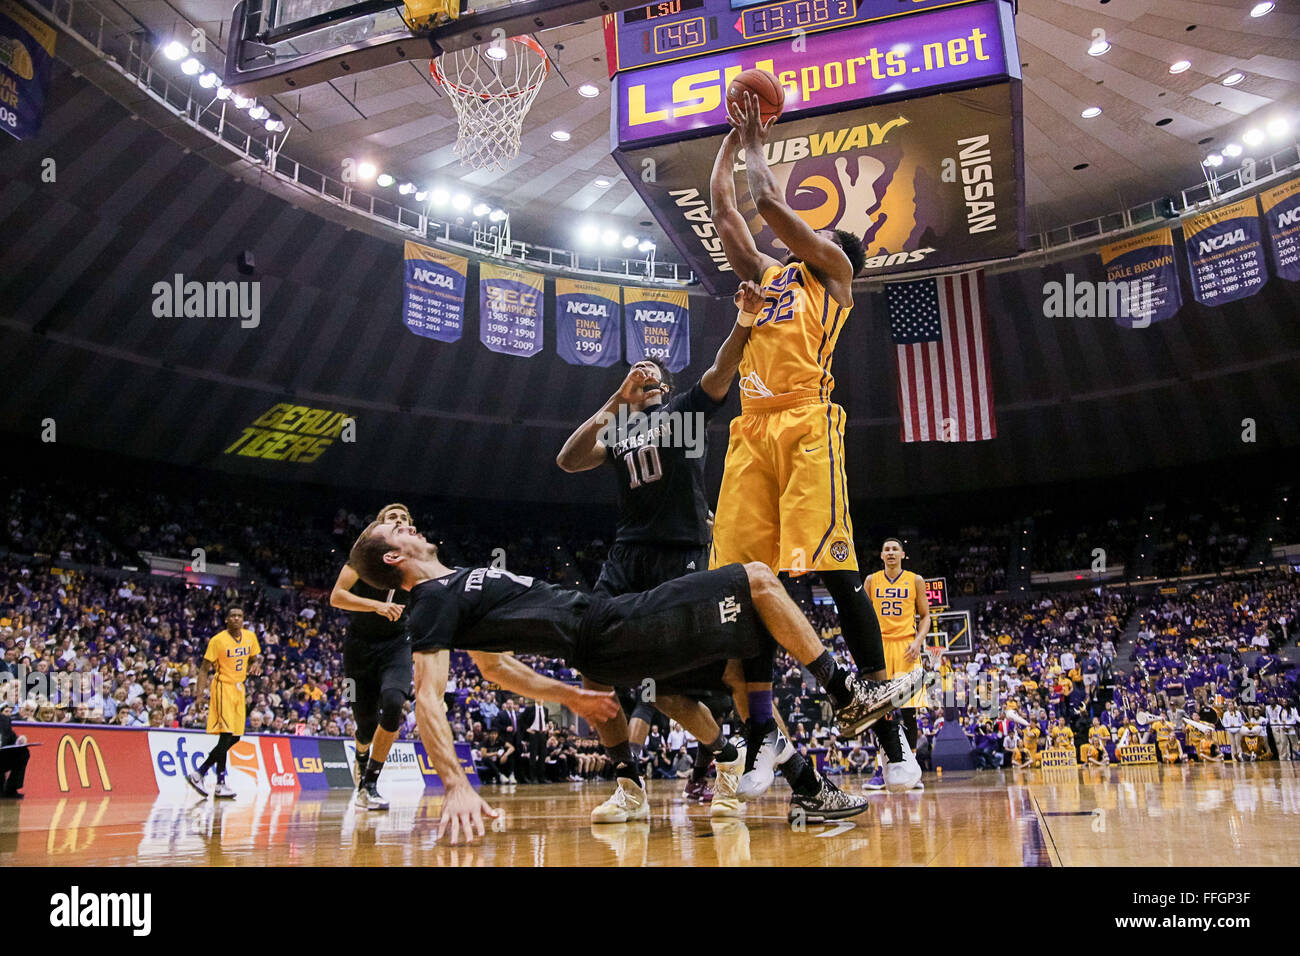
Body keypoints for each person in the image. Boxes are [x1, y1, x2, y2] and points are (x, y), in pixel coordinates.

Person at [348, 520, 921, 842]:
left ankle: (805, 786)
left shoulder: (452, 588)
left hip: (604, 645)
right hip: (608, 628)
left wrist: (572, 693)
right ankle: (848, 697)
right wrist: (454, 783)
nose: (406, 521)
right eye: (393, 526)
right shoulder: (429, 605)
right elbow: (428, 699)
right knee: (757, 580)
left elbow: (497, 669)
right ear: (395, 555)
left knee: (739, 648)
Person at [555, 311, 753, 818]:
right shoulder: (619, 427)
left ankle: (727, 756)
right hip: (627, 555)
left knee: (667, 692)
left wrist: (745, 319)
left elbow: (719, 372)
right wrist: (614, 400)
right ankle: (628, 783)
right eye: (635, 376)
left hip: (681, 553)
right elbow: (568, 461)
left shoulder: (685, 412)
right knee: (591, 662)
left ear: (663, 389)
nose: (641, 380)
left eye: (649, 378)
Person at [329, 502, 415, 811]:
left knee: (394, 704)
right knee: (365, 724)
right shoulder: (363, 555)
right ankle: (361, 752)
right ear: (379, 526)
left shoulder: (417, 562)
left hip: (397, 643)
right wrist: (375, 605)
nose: (398, 520)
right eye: (392, 517)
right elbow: (337, 596)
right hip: (360, 645)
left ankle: (370, 784)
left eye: (404, 518)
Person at [862, 539, 929, 792]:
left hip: (906, 649)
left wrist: (918, 641)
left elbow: (926, 616)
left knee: (909, 712)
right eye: (886, 549)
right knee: (879, 711)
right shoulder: (871, 580)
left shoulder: (915, 580)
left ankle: (910, 769)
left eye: (894, 549)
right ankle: (882, 770)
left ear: (902, 554)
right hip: (879, 648)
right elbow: (863, 617)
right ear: (881, 555)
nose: (890, 552)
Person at [187, 607, 260, 799]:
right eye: (233, 616)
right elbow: (204, 669)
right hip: (222, 687)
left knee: (235, 737)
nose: (236, 618)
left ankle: (200, 773)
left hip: (239, 688)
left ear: (243, 619)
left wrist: (254, 664)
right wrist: (199, 695)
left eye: (240, 616)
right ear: (227, 619)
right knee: (226, 735)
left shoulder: (250, 637)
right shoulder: (217, 640)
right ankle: (219, 783)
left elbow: (253, 657)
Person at [0, 703, 29, 798]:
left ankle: (11, 789)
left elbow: (12, 738)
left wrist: (19, 740)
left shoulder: (4, 720)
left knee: (23, 752)